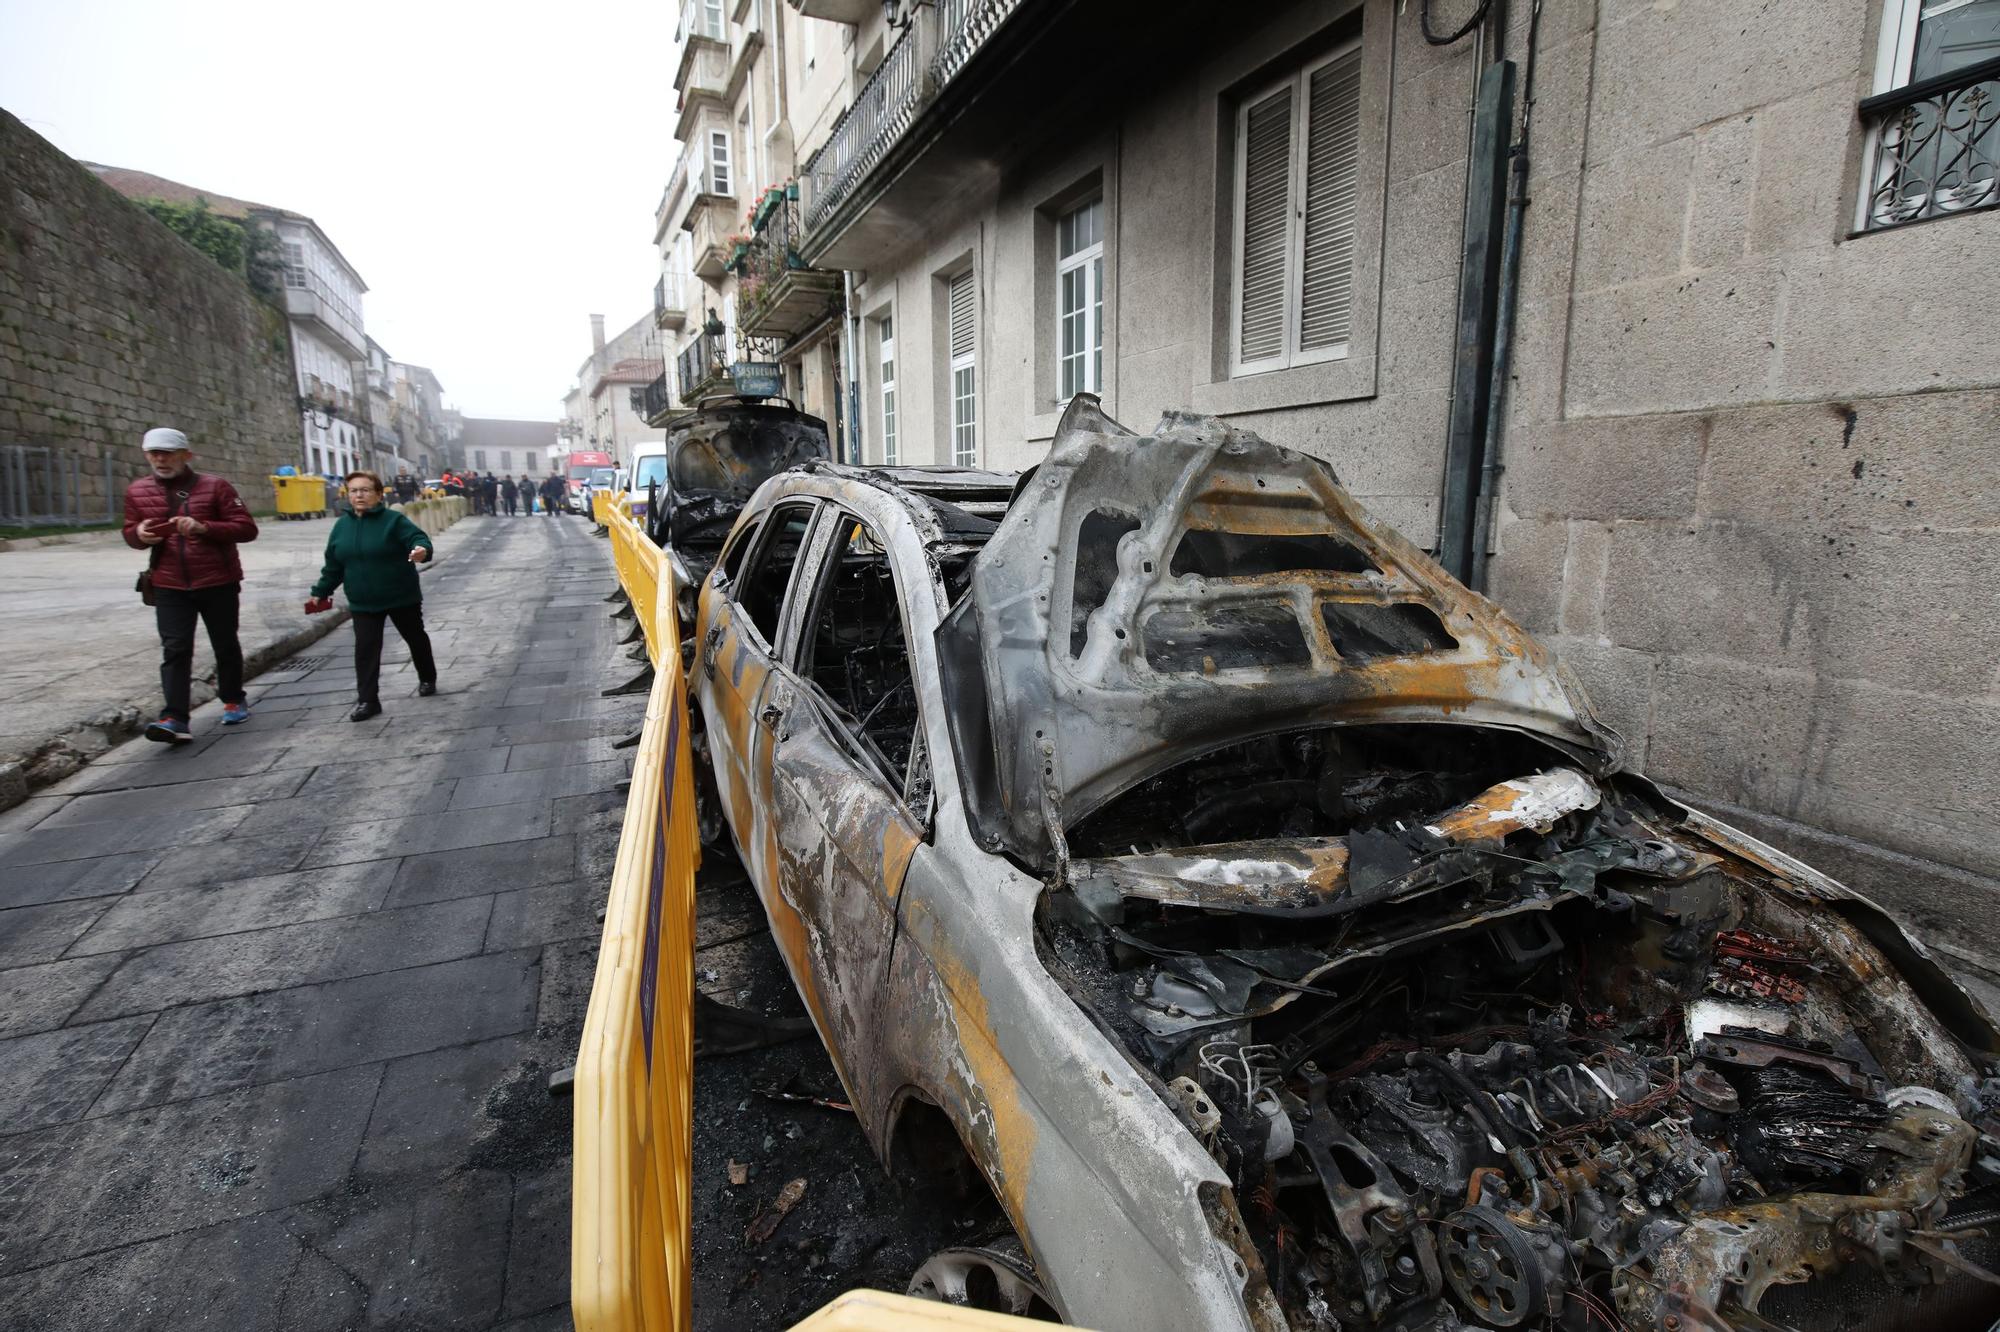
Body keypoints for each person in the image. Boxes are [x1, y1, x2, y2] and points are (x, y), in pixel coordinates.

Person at [123, 428, 260, 742]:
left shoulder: (215, 487)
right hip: (169, 583)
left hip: (217, 579)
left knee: (224, 642)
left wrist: (204, 527)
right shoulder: (137, 491)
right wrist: (139, 535)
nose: (160, 459)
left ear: (186, 455)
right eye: (154, 453)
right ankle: (174, 717)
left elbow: (246, 528)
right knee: (175, 648)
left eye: (167, 453)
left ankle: (232, 698)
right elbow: (130, 532)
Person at [305, 470, 438, 721]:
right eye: (354, 490)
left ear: (378, 494)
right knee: (365, 649)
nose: (359, 495)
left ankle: (427, 677)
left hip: (400, 595)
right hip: (363, 602)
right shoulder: (341, 526)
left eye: (365, 490)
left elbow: (417, 538)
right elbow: (334, 564)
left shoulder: (392, 521)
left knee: (415, 638)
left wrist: (421, 550)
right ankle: (368, 701)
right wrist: (319, 592)